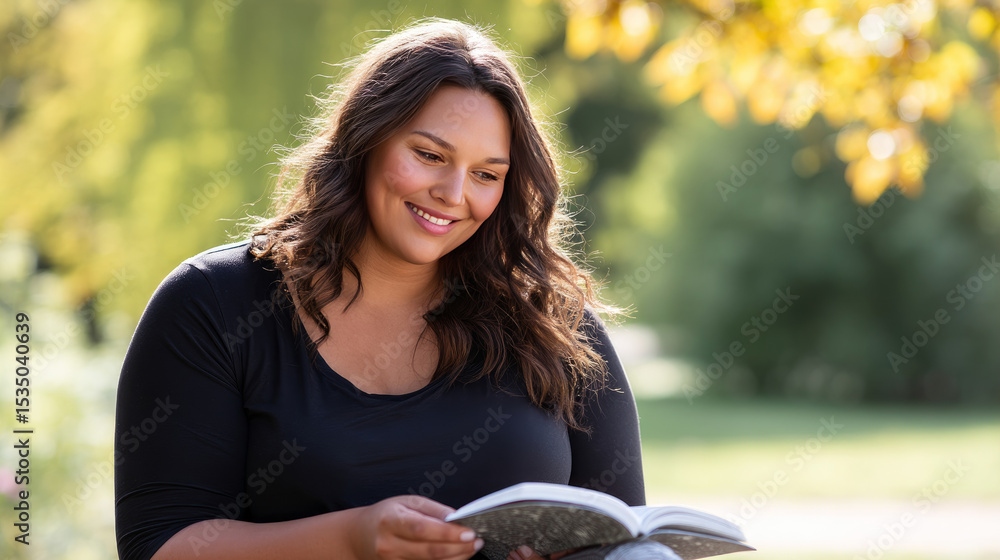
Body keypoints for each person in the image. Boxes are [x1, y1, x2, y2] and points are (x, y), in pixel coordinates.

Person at [114, 17, 644, 560]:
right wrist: (352, 539)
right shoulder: (214, 305)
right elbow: (158, 545)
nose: (453, 193)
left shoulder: (553, 325)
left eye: (487, 174)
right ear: (366, 138)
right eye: (430, 155)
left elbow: (625, 539)